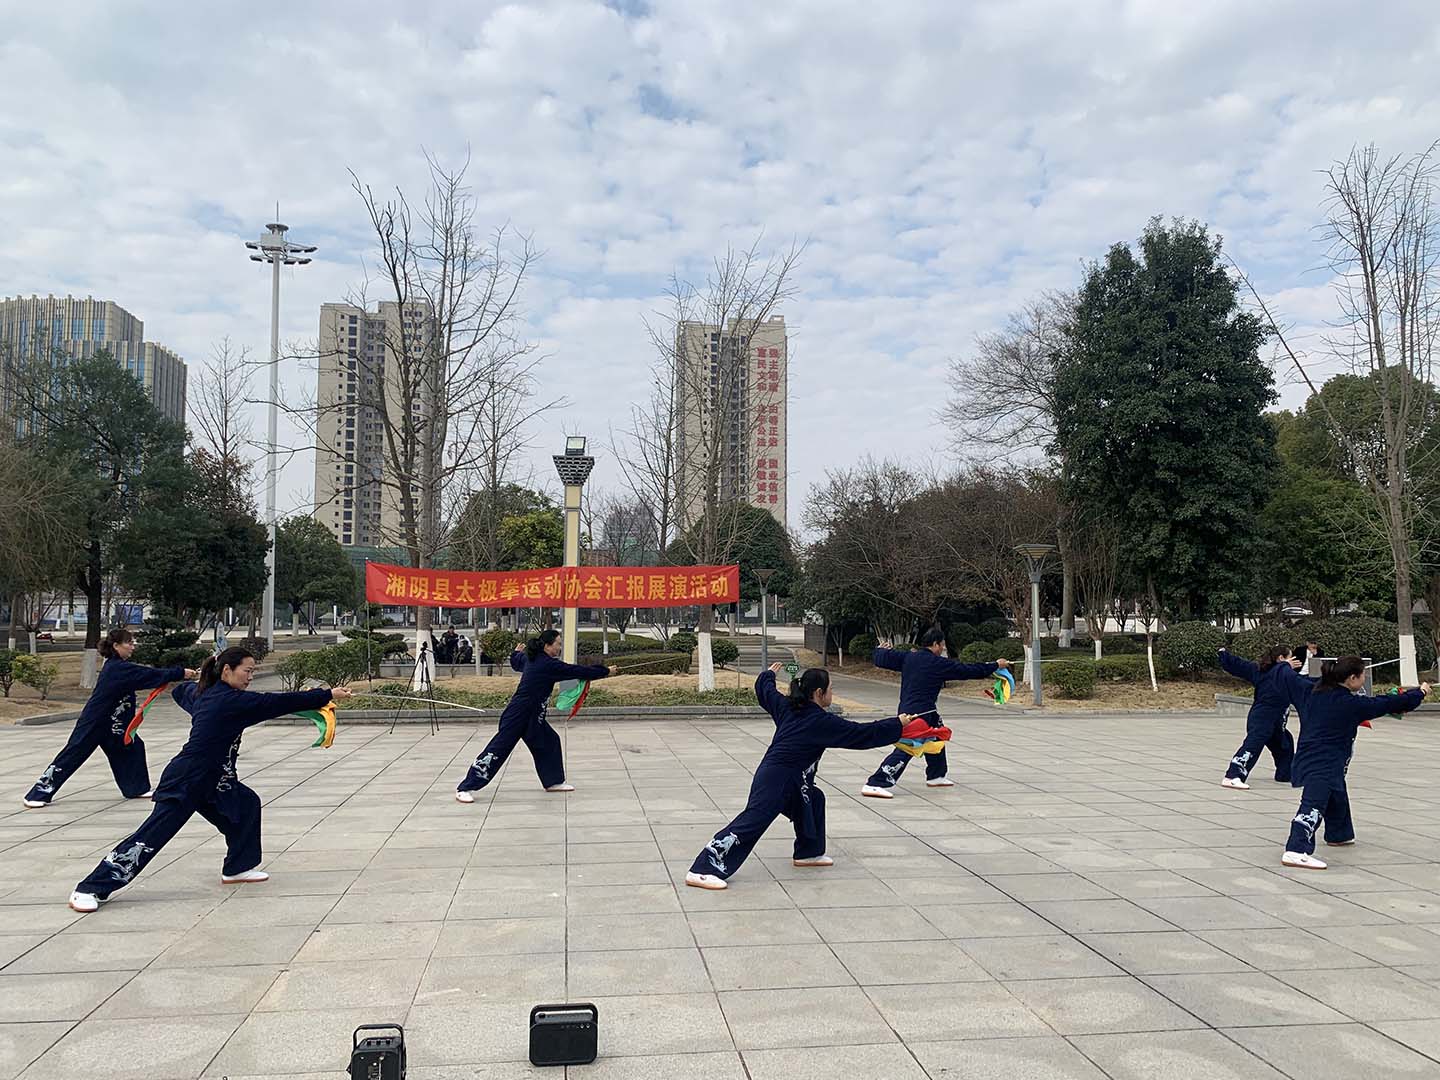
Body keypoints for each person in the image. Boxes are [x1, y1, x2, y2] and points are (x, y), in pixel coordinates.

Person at [66, 646, 351, 912]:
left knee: (247, 804)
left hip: (216, 780)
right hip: (186, 780)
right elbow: (276, 702)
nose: (250, 677)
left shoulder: (205, 694)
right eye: (247, 671)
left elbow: (182, 693)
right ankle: (91, 887)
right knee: (152, 835)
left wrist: (198, 704)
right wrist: (327, 693)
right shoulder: (231, 701)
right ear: (226, 670)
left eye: (253, 672)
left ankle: (238, 867)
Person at [686, 664, 949, 890]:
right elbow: (861, 734)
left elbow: (765, 692)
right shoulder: (819, 721)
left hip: (791, 778)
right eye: (831, 689)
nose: (833, 694)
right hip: (776, 779)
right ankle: (704, 867)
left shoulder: (788, 707)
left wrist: (766, 675)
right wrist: (897, 724)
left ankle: (808, 852)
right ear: (818, 693)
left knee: (813, 797)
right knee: (754, 819)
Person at [1281, 656, 1429, 870]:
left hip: (1311, 756)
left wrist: (1285, 666)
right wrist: (1420, 692)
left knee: (1336, 792)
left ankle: (1338, 834)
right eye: (1363, 675)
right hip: (1323, 762)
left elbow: (1287, 676)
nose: (1365, 677)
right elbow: (1388, 703)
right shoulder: (1350, 703)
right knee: (1313, 803)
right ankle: (1296, 849)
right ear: (1351, 678)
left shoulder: (1310, 690)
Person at [22, 628, 198, 808]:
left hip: (115, 725)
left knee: (132, 747)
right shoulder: (118, 668)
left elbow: (147, 677)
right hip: (96, 722)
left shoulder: (119, 667)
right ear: (116, 646)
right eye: (128, 643)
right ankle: (37, 794)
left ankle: (136, 788)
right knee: (72, 755)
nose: (132, 647)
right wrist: (180, 673)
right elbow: (150, 675)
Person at [454, 629, 610, 802]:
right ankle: (465, 787)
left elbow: (516, 662)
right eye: (557, 643)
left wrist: (515, 653)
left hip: (534, 717)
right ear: (547, 645)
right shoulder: (548, 665)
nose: (559, 647)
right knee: (498, 750)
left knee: (550, 741)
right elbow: (577, 671)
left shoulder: (531, 658)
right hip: (518, 715)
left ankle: (553, 782)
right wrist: (606, 671)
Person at [860, 628, 1006, 798]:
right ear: (936, 644)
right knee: (908, 747)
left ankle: (936, 776)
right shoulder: (937, 663)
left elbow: (881, 658)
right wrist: (995, 665)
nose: (943, 649)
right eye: (942, 646)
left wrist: (880, 650)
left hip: (923, 711)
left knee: (938, 736)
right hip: (917, 714)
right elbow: (967, 670)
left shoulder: (909, 657)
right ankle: (876, 782)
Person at [1216, 644, 1312, 789]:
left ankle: (1285, 774)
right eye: (1289, 657)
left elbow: (1305, 684)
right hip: (1262, 718)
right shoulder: (1262, 671)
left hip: (1277, 723)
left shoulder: (1288, 676)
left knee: (1285, 744)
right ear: (1281, 659)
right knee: (1253, 745)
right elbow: (1239, 665)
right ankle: (1233, 775)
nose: (1292, 661)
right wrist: (1223, 654)